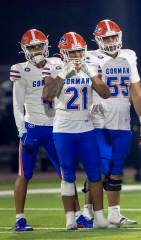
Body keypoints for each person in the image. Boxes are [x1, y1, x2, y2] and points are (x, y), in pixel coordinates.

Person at [10, 29, 91, 231]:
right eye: (32, 47)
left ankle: (78, 215)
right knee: (24, 173)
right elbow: (17, 105)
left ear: (46, 46)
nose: (37, 50)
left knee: (66, 173)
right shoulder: (20, 69)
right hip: (33, 127)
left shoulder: (57, 63)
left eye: (39, 46)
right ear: (24, 49)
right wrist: (22, 130)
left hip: (56, 126)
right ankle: (19, 218)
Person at [82, 19, 141, 227]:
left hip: (122, 121)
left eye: (113, 36)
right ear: (98, 40)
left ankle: (114, 213)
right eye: (106, 37)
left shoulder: (129, 56)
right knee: (99, 168)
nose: (111, 41)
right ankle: (87, 211)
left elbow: (136, 92)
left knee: (116, 169)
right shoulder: (90, 57)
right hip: (99, 122)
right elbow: (98, 88)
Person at [42, 32, 110, 230]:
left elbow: (105, 93)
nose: (77, 56)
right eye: (72, 52)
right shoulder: (53, 66)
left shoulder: (90, 65)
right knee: (68, 175)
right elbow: (47, 95)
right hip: (63, 129)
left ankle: (98, 216)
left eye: (79, 51)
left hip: (86, 126)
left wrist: (91, 74)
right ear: (63, 53)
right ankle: (70, 218)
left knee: (95, 173)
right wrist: (64, 73)